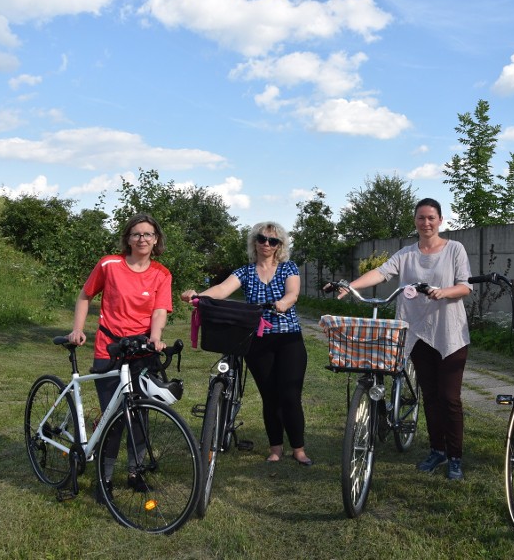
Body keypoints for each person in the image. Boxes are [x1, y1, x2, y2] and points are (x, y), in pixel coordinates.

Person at [335, 198, 472, 481]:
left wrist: (443, 292)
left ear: (440, 220)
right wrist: (351, 286)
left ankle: (455, 456)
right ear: (415, 221)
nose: (426, 223)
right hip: (417, 333)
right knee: (431, 397)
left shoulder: (455, 249)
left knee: (450, 398)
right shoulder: (406, 254)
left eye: (431, 218)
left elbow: (464, 286)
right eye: (421, 218)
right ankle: (437, 450)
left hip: (449, 333)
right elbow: (382, 272)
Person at [181, 221, 312, 466]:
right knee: (269, 395)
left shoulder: (288, 268)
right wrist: (198, 295)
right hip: (258, 339)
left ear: (279, 246)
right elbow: (221, 289)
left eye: (273, 241)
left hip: (288, 337)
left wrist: (285, 302)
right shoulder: (245, 271)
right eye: (262, 238)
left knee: (290, 395)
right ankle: (275, 448)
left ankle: (298, 448)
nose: (266, 244)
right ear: (255, 241)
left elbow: (293, 293)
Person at [66, 212, 173, 498]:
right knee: (112, 416)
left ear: (156, 240)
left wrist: (156, 337)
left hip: (141, 352)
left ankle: (136, 472)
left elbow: (159, 310)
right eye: (136, 234)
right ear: (127, 238)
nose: (142, 239)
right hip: (109, 349)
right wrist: (77, 329)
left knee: (140, 415)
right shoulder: (109, 264)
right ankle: (105, 478)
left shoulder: (162, 274)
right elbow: (85, 295)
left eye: (148, 234)